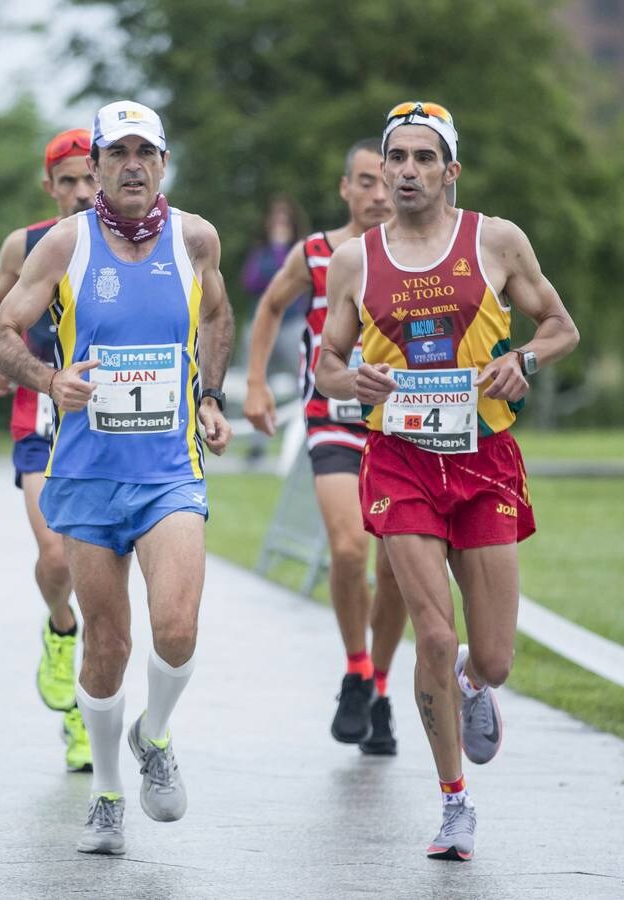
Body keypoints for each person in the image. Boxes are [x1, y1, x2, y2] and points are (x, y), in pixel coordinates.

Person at [316, 101, 579, 861]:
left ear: (450, 171)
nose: (405, 171)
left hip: (484, 458)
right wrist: (351, 380)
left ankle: (471, 684)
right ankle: (454, 804)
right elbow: (329, 361)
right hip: (399, 461)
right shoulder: (358, 260)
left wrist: (523, 360)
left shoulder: (495, 240)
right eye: (396, 158)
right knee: (434, 632)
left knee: (490, 656)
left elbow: (561, 326)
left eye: (423, 158)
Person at [0, 100, 234, 856]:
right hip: (88, 474)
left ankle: (152, 737)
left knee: (178, 628)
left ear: (162, 163)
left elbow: (217, 317)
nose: (131, 165)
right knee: (107, 644)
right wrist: (48, 377)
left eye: (144, 153)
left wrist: (210, 396)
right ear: (93, 166)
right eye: (116, 153)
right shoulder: (64, 244)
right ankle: (105, 795)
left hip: (168, 473)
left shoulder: (195, 239)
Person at [244, 139, 409, 756]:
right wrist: (257, 383)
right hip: (333, 420)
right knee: (347, 549)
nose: (376, 193)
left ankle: (382, 690)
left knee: (396, 570)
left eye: (385, 181)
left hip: (402, 427)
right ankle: (357, 668)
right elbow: (268, 306)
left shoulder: (420, 258)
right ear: (345, 188)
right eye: (364, 181)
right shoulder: (316, 254)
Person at [0, 128, 97, 772]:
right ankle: (58, 630)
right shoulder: (25, 245)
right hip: (41, 415)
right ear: (48, 186)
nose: (81, 192)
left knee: (99, 573)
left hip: (111, 423)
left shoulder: (135, 243)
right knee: (56, 557)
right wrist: (0, 360)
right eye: (67, 181)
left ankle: (85, 719)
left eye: (89, 178)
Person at [240, 195, 309, 376]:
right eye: (276, 221)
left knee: (303, 374)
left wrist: (280, 250)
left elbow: (294, 278)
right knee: (254, 376)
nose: (280, 225)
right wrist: (276, 249)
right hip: (260, 324)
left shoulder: (300, 250)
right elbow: (249, 282)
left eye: (284, 221)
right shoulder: (260, 252)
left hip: (292, 323)